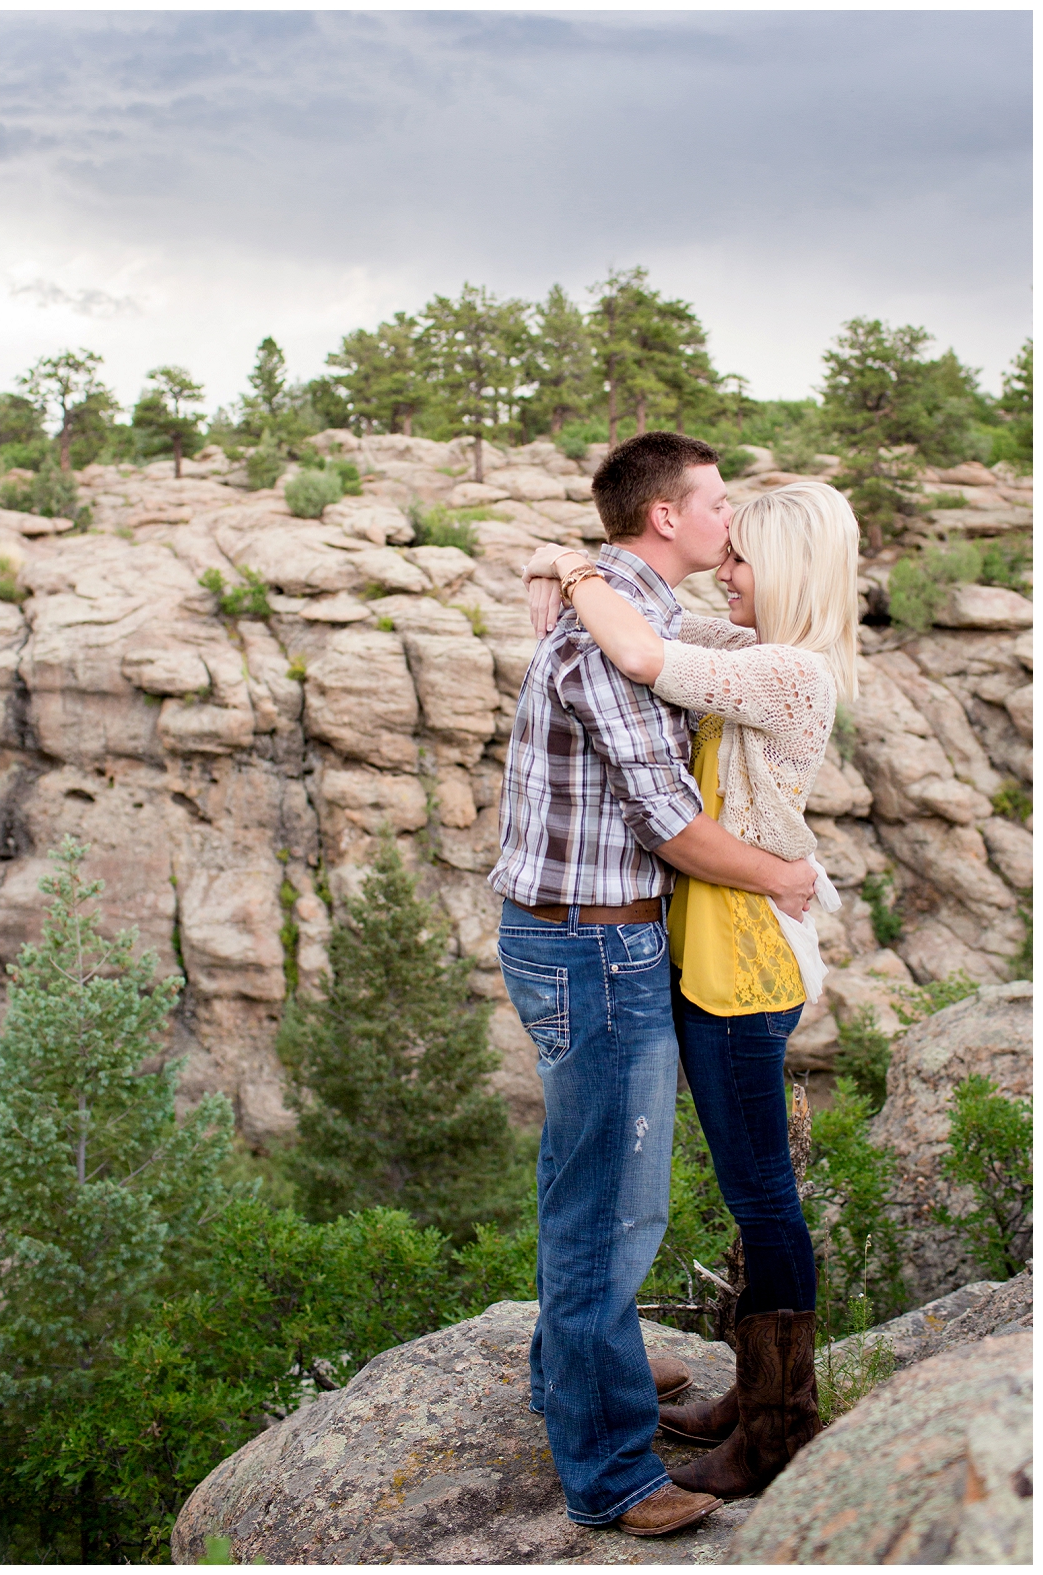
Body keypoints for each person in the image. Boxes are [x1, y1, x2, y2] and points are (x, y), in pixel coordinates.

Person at [488, 431, 820, 1538]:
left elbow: (674, 650)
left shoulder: (639, 613)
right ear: (666, 518)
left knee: (579, 1184)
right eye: (717, 505)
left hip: (582, 939)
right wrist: (784, 876)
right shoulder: (607, 639)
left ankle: (569, 1373)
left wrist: (562, 562)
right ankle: (612, 1473)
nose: (731, 523)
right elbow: (672, 826)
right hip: (597, 948)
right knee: (610, 1214)